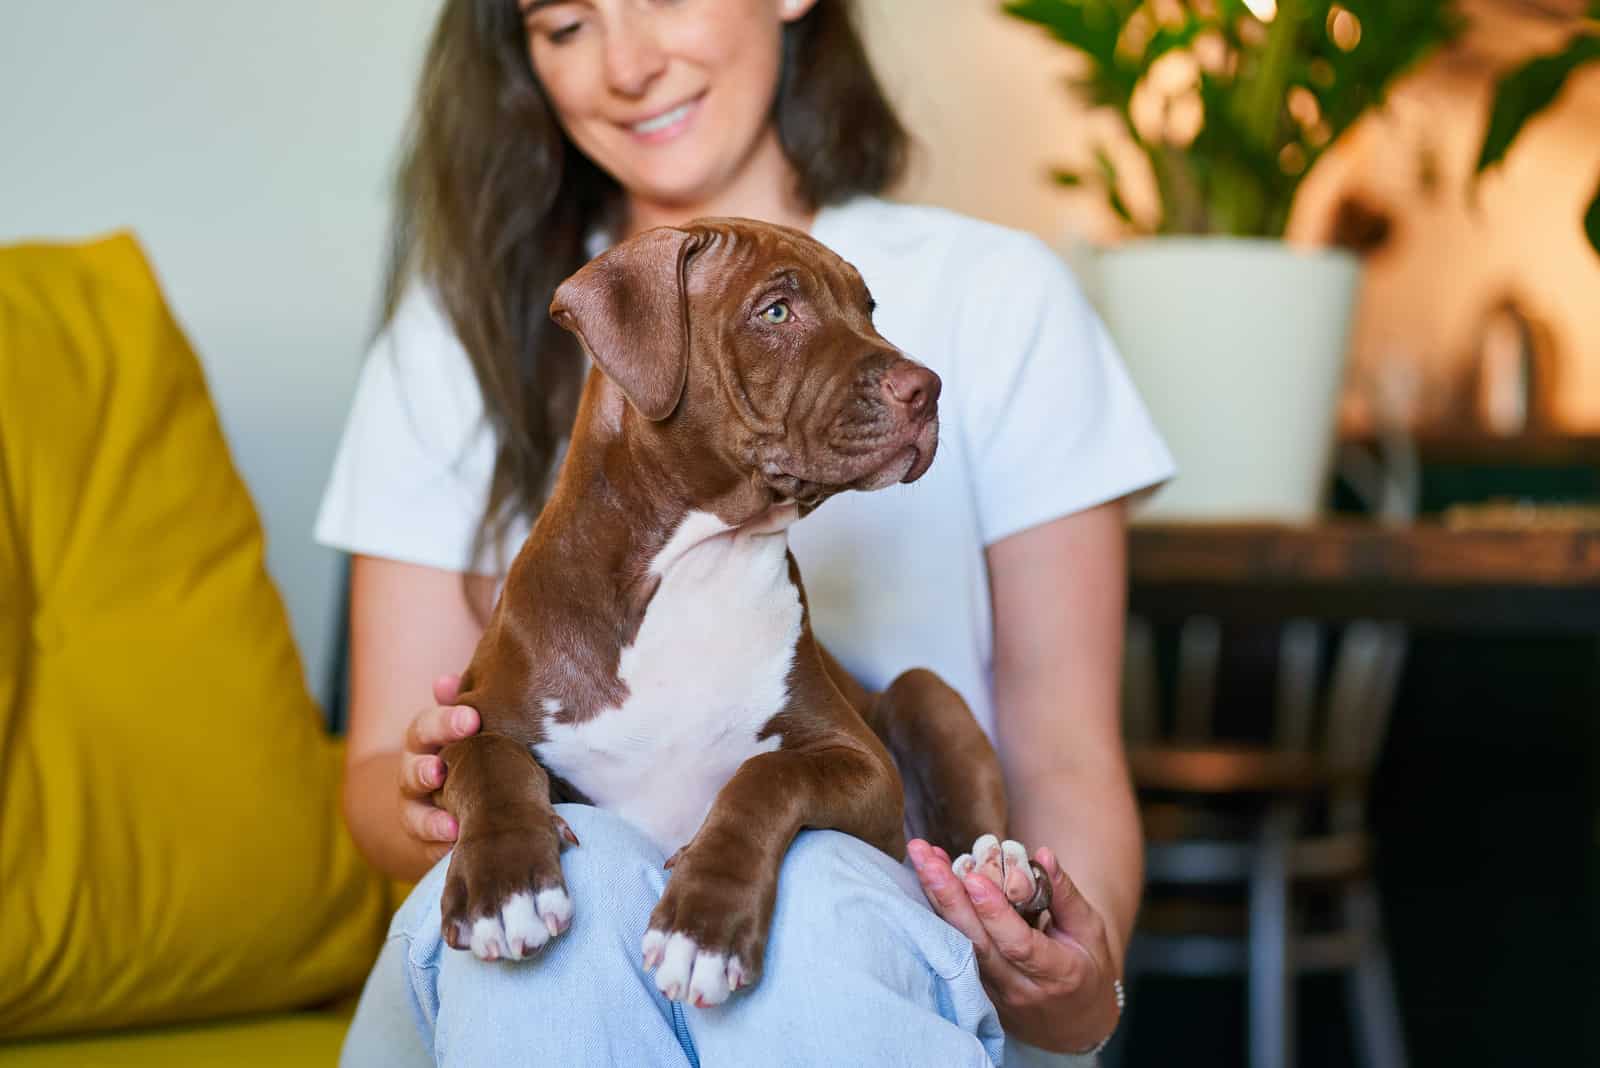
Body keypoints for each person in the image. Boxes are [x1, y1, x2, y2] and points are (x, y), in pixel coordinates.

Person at [315, 1, 1174, 1065]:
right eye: (566, 23)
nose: (628, 64)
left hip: (865, 937)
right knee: (573, 902)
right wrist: (467, 806)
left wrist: (1078, 1001)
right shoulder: (457, 337)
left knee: (817, 895)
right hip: (561, 902)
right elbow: (378, 780)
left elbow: (1067, 756)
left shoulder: (1001, 295)